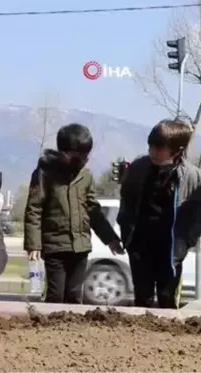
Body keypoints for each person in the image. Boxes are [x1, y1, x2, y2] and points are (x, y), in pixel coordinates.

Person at [24, 123, 123, 304]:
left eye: (86, 158)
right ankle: (51, 329)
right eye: (77, 158)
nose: (82, 162)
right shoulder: (45, 173)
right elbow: (34, 209)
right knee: (56, 295)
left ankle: (72, 331)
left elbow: (93, 210)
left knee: (75, 295)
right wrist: (33, 244)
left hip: (81, 246)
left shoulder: (86, 176)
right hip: (55, 246)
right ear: (62, 153)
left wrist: (110, 238)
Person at [117, 119, 201, 309]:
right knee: (142, 298)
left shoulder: (192, 176)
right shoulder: (139, 168)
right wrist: (126, 232)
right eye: (151, 146)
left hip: (171, 249)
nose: (153, 151)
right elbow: (127, 201)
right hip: (140, 244)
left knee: (167, 299)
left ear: (177, 149)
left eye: (159, 147)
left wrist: (188, 240)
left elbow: (197, 215)